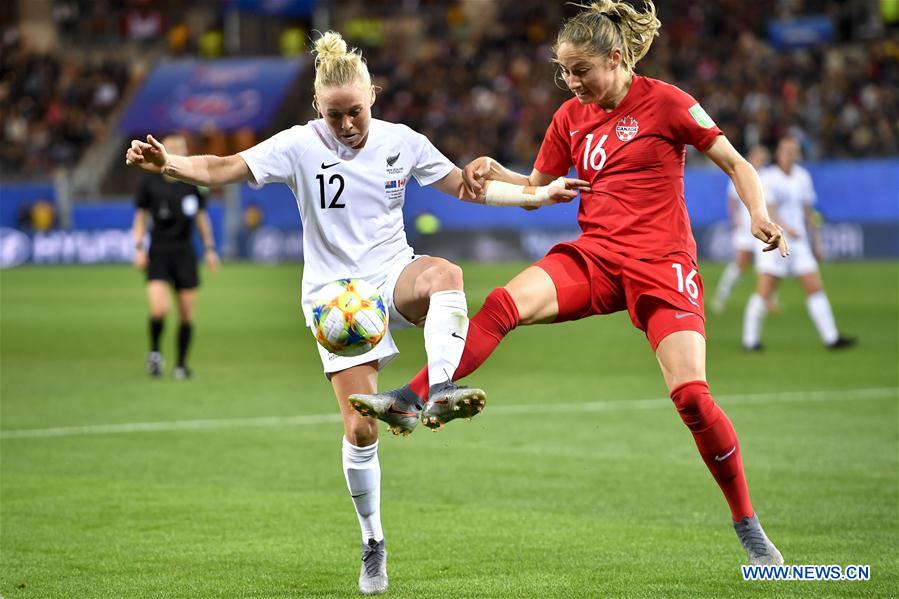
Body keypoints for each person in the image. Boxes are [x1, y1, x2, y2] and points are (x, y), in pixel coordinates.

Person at [125, 32, 581, 595]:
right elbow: (223, 167)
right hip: (334, 297)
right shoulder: (296, 144)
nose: (346, 125)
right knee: (361, 427)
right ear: (318, 107)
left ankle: (438, 391)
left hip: (391, 274)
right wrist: (169, 162)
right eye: (335, 114)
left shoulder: (402, 142)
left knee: (447, 277)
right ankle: (373, 541)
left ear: (375, 96)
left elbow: (466, 186)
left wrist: (534, 193)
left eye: (356, 112)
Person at [350, 0, 789, 566]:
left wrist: (757, 213)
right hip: (596, 257)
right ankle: (412, 399)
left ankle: (746, 522)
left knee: (692, 398)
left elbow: (737, 164)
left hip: (661, 265)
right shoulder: (568, 118)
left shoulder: (669, 102)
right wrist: (492, 169)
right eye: (564, 71)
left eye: (580, 70)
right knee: (503, 304)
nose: (571, 81)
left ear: (616, 57)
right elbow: (537, 188)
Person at [742, 136, 856, 351]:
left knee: (814, 287)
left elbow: (808, 212)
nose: (790, 154)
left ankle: (831, 338)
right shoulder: (768, 178)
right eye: (786, 150)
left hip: (800, 243)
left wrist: (817, 241)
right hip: (774, 241)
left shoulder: (802, 177)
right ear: (778, 153)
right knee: (765, 291)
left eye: (794, 151)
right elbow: (769, 209)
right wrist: (785, 227)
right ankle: (750, 340)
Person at [131, 133, 219, 380]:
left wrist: (210, 249)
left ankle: (181, 364)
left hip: (184, 253)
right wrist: (138, 247)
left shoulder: (192, 184)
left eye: (180, 148)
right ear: (161, 150)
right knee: (159, 309)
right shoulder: (150, 182)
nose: (176, 151)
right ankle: (155, 353)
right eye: (171, 148)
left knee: (186, 313)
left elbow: (201, 217)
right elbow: (140, 217)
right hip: (158, 251)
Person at [711, 145, 772, 315]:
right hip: (746, 228)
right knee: (740, 264)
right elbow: (732, 200)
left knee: (767, 265)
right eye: (759, 156)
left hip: (763, 227)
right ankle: (722, 295)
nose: (761, 159)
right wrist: (735, 219)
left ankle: (767, 299)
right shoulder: (742, 171)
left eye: (763, 157)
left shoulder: (769, 176)